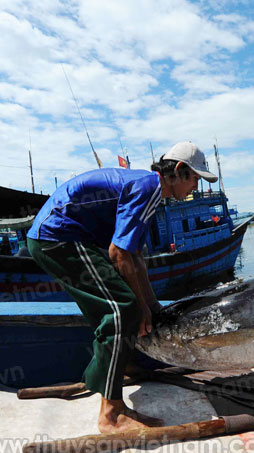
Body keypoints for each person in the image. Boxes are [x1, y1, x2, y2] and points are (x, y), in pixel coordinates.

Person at [27, 141, 218, 433]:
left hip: (65, 237)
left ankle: (121, 366)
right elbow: (118, 253)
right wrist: (139, 307)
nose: (195, 187)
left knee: (121, 309)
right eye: (194, 178)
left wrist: (153, 308)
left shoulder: (151, 190)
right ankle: (111, 415)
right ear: (179, 171)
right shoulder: (147, 188)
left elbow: (136, 257)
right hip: (57, 237)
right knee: (123, 310)